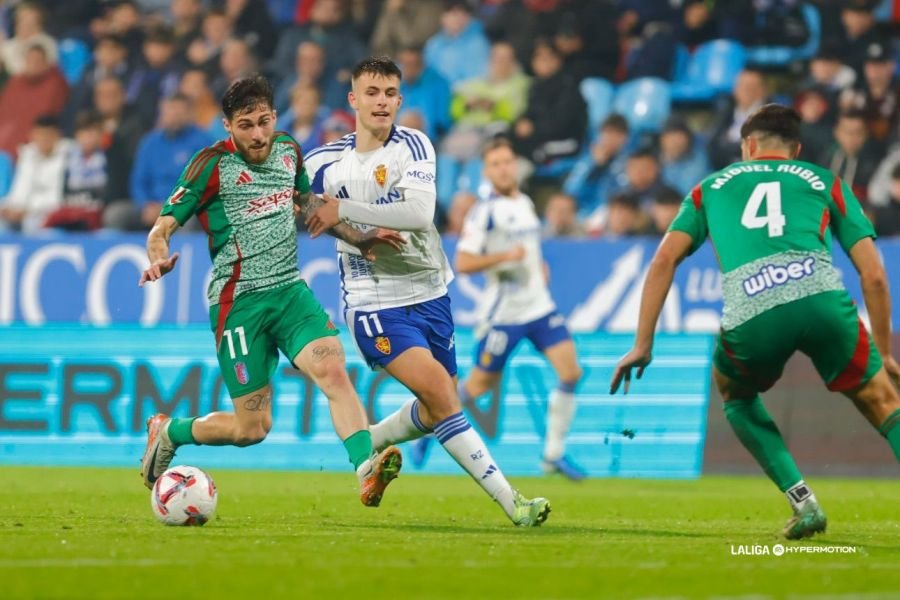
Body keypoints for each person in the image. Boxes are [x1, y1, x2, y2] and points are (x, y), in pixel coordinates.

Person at [610, 104, 900, 540]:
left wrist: (642, 343)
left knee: (736, 395)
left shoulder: (710, 187)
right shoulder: (826, 182)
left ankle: (804, 503)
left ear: (748, 146)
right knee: (882, 401)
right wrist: (882, 349)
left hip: (752, 307)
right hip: (821, 296)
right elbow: (874, 276)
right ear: (797, 150)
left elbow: (664, 259)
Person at [137, 75, 407, 509]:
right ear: (227, 126)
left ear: (275, 117)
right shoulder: (210, 165)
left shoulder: (287, 149)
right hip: (239, 305)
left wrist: (362, 237)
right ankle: (170, 431)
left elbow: (309, 204)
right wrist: (157, 256)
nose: (258, 134)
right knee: (252, 428)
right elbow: (162, 226)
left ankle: (365, 468)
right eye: (246, 125)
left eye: (264, 122)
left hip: (289, 293)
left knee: (334, 371)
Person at [302, 57, 550, 527]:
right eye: (372, 92)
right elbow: (306, 209)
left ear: (400, 99)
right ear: (353, 99)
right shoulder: (323, 163)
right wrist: (342, 227)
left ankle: (368, 440)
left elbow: (418, 213)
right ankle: (513, 503)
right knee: (441, 393)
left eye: (390, 93)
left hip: (431, 291)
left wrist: (344, 211)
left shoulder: (414, 144)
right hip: (375, 299)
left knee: (440, 404)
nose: (382, 102)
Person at [440, 138, 586, 480]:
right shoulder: (484, 212)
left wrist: (539, 266)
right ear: (486, 171)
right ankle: (434, 422)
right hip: (504, 315)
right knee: (477, 387)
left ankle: (553, 456)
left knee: (570, 372)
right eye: (496, 164)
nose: (504, 169)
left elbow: (529, 247)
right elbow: (463, 261)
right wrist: (505, 258)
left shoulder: (525, 202)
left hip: (539, 306)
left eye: (507, 162)